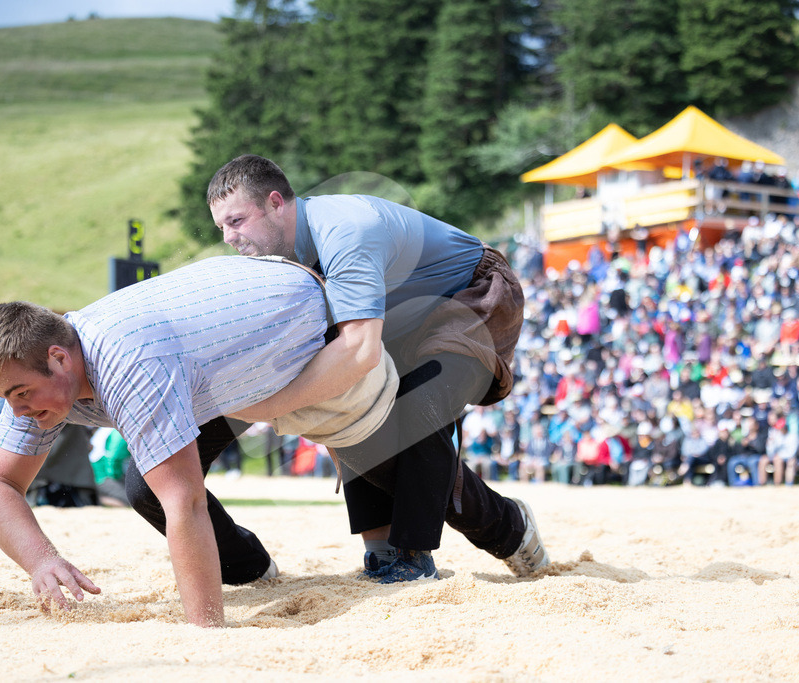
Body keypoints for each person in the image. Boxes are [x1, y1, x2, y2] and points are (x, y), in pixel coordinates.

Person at [0, 255, 396, 627]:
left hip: (304, 326)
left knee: (377, 432)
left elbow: (185, 502)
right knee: (145, 488)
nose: (17, 410)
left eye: (21, 393)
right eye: (7, 397)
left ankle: (406, 548)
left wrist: (205, 629)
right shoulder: (38, 382)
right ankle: (253, 569)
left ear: (59, 358)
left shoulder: (126, 363)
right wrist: (41, 559)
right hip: (212, 375)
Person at [207, 154, 548, 583]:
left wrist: (274, 407)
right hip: (403, 315)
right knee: (351, 401)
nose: (228, 238)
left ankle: (413, 557)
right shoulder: (277, 255)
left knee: (421, 401)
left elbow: (358, 353)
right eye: (221, 227)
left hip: (470, 294)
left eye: (236, 221)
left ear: (276, 202)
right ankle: (385, 548)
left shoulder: (345, 230)